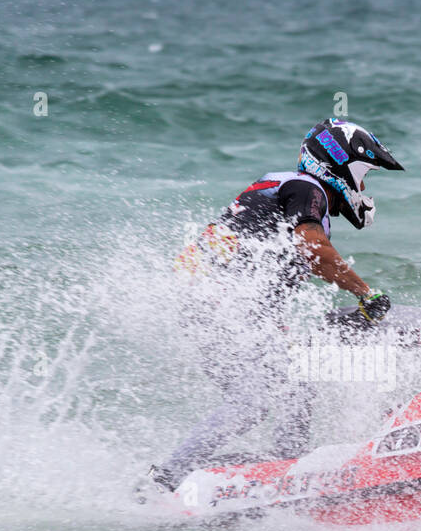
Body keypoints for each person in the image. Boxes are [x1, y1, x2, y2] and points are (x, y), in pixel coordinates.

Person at [137, 118, 403, 499]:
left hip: (213, 304)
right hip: (216, 303)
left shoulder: (289, 188)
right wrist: (366, 294)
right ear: (340, 167)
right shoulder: (307, 188)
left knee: (295, 378)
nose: (363, 189)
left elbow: (260, 274)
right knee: (256, 397)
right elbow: (314, 252)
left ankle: (285, 467)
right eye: (364, 178)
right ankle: (165, 480)